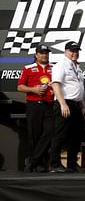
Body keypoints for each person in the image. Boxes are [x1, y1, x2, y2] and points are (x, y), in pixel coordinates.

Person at [49, 41, 85, 173]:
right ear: (65, 51)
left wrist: (83, 106)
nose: (74, 53)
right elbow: (56, 84)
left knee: (76, 136)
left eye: (76, 51)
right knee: (60, 134)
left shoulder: (77, 67)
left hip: (76, 104)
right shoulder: (61, 65)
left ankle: (72, 164)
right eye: (72, 51)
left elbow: (79, 88)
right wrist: (62, 103)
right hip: (65, 103)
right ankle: (54, 164)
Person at [17, 44, 54, 172]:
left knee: (50, 131)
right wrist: (34, 90)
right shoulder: (28, 68)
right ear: (36, 55)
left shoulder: (54, 68)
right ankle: (39, 164)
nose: (44, 55)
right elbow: (20, 87)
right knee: (34, 135)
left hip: (50, 104)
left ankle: (32, 161)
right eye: (42, 53)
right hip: (34, 104)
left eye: (46, 53)